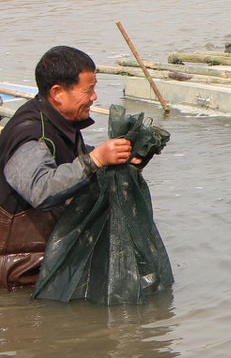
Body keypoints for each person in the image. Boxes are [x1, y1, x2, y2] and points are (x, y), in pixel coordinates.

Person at [0, 45, 134, 288]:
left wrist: (116, 157)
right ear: (58, 92)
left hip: (47, 258)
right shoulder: (28, 133)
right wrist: (95, 159)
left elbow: (69, 164)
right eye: (88, 90)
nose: (94, 97)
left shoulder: (59, 122)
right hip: (20, 271)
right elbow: (41, 190)